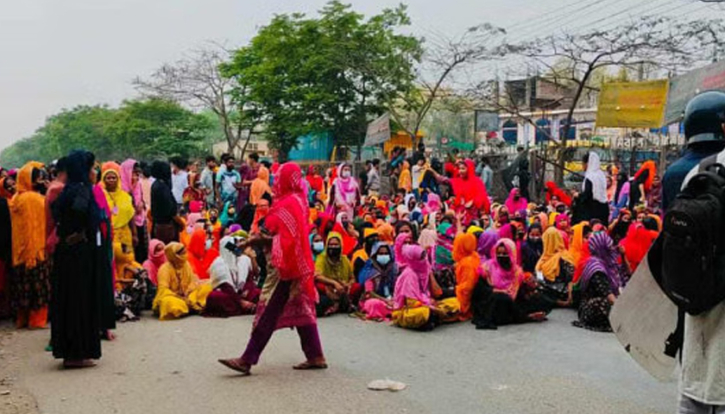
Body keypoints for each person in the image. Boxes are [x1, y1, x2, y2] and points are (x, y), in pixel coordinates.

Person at [218, 162, 326, 376]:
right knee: (302, 308)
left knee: (269, 311)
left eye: (279, 178)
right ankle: (315, 355)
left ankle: (247, 359)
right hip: (298, 263)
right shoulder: (299, 200)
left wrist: (256, 241)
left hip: (289, 266)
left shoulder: (289, 203)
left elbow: (286, 239)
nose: (275, 183)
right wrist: (254, 240)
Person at [51, 151, 114, 368]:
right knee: (79, 302)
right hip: (78, 254)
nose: (95, 172)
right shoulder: (81, 191)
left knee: (72, 301)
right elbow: (79, 214)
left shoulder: (69, 190)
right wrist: (79, 233)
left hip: (70, 253)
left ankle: (73, 351)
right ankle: (76, 353)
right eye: (92, 168)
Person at [9, 162, 50, 329]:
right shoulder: (35, 199)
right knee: (38, 287)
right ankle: (37, 320)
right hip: (36, 250)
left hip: (19, 251)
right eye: (38, 178)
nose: (41, 180)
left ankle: (22, 319)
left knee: (22, 287)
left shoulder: (15, 198)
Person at [472, 239, 546, 330]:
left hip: (511, 300)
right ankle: (526, 317)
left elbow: (518, 293)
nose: (501, 256)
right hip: (492, 301)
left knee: (538, 298)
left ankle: (528, 314)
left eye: (505, 254)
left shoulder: (516, 271)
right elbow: (479, 290)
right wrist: (494, 290)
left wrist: (529, 288)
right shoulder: (487, 267)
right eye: (499, 253)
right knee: (501, 298)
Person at [573, 233, 621, 332]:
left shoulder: (606, 264)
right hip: (591, 307)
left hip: (606, 301)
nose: (612, 250)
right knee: (603, 304)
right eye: (609, 248)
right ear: (602, 249)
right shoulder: (596, 268)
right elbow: (607, 293)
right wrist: (623, 308)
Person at [152, 242, 212, 320]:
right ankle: (189, 307)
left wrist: (188, 293)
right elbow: (163, 290)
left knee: (207, 287)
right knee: (169, 302)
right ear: (173, 255)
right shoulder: (164, 269)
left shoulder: (186, 264)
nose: (185, 255)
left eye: (185, 253)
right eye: (182, 254)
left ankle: (190, 306)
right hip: (174, 297)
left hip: (189, 295)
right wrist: (179, 297)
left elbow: (192, 281)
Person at [315, 232, 357, 316]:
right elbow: (317, 276)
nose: (333, 247)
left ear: (341, 245)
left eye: (336, 244)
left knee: (357, 287)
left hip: (343, 287)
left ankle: (344, 303)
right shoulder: (321, 258)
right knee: (319, 286)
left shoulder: (345, 259)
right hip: (328, 287)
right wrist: (334, 283)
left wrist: (348, 284)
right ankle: (335, 304)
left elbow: (352, 278)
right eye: (331, 244)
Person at [102, 162, 137, 255]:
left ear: (118, 179)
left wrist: (135, 234)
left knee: (127, 258)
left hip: (125, 234)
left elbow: (131, 217)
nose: (111, 180)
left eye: (114, 178)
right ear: (103, 180)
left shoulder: (126, 196)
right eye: (108, 178)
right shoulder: (101, 196)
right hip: (109, 235)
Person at [121, 159, 148, 263]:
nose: (136, 176)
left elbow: (141, 200)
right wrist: (134, 208)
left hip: (140, 221)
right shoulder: (122, 189)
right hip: (128, 225)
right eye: (133, 173)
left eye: (138, 173)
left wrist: (142, 203)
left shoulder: (138, 185)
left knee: (142, 250)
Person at [573, 152, 609, 225]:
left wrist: (578, 195)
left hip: (592, 209)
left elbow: (588, 194)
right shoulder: (601, 175)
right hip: (603, 208)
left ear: (587, 164)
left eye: (583, 163)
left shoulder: (590, 177)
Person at [150, 161, 180, 244]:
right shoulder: (162, 187)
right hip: (166, 224)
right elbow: (169, 208)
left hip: (158, 222)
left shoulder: (157, 184)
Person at [453, 233, 481, 321]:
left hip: (466, 298)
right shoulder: (474, 256)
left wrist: (463, 309)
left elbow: (467, 288)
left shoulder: (466, 263)